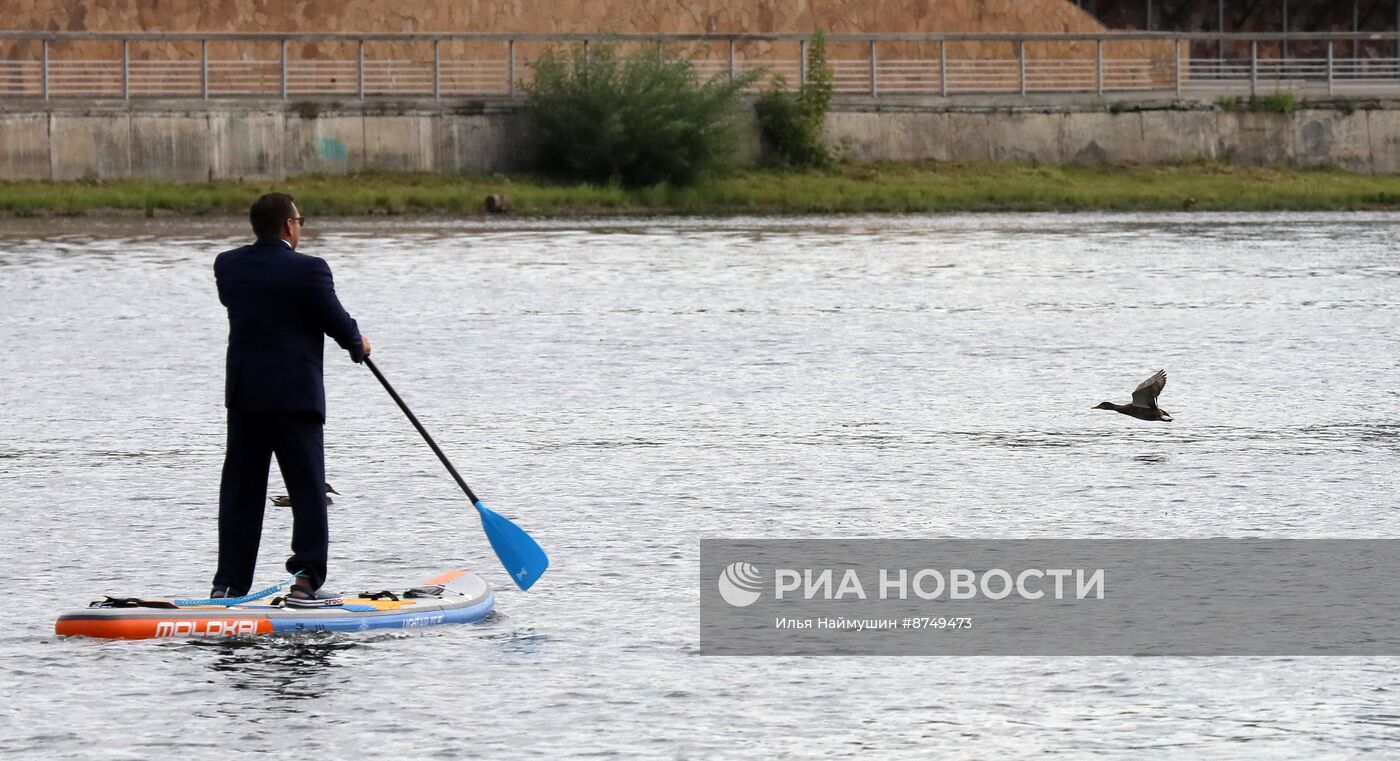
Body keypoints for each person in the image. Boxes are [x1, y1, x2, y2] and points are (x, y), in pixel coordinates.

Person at [210, 193, 370, 608]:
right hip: (294, 399)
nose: (301, 227)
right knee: (308, 490)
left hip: (245, 398)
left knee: (242, 492)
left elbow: (261, 305)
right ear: (288, 226)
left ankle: (227, 585)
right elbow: (335, 320)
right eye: (300, 220)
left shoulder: (228, 266)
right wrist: (358, 343)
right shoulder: (309, 269)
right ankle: (305, 582)